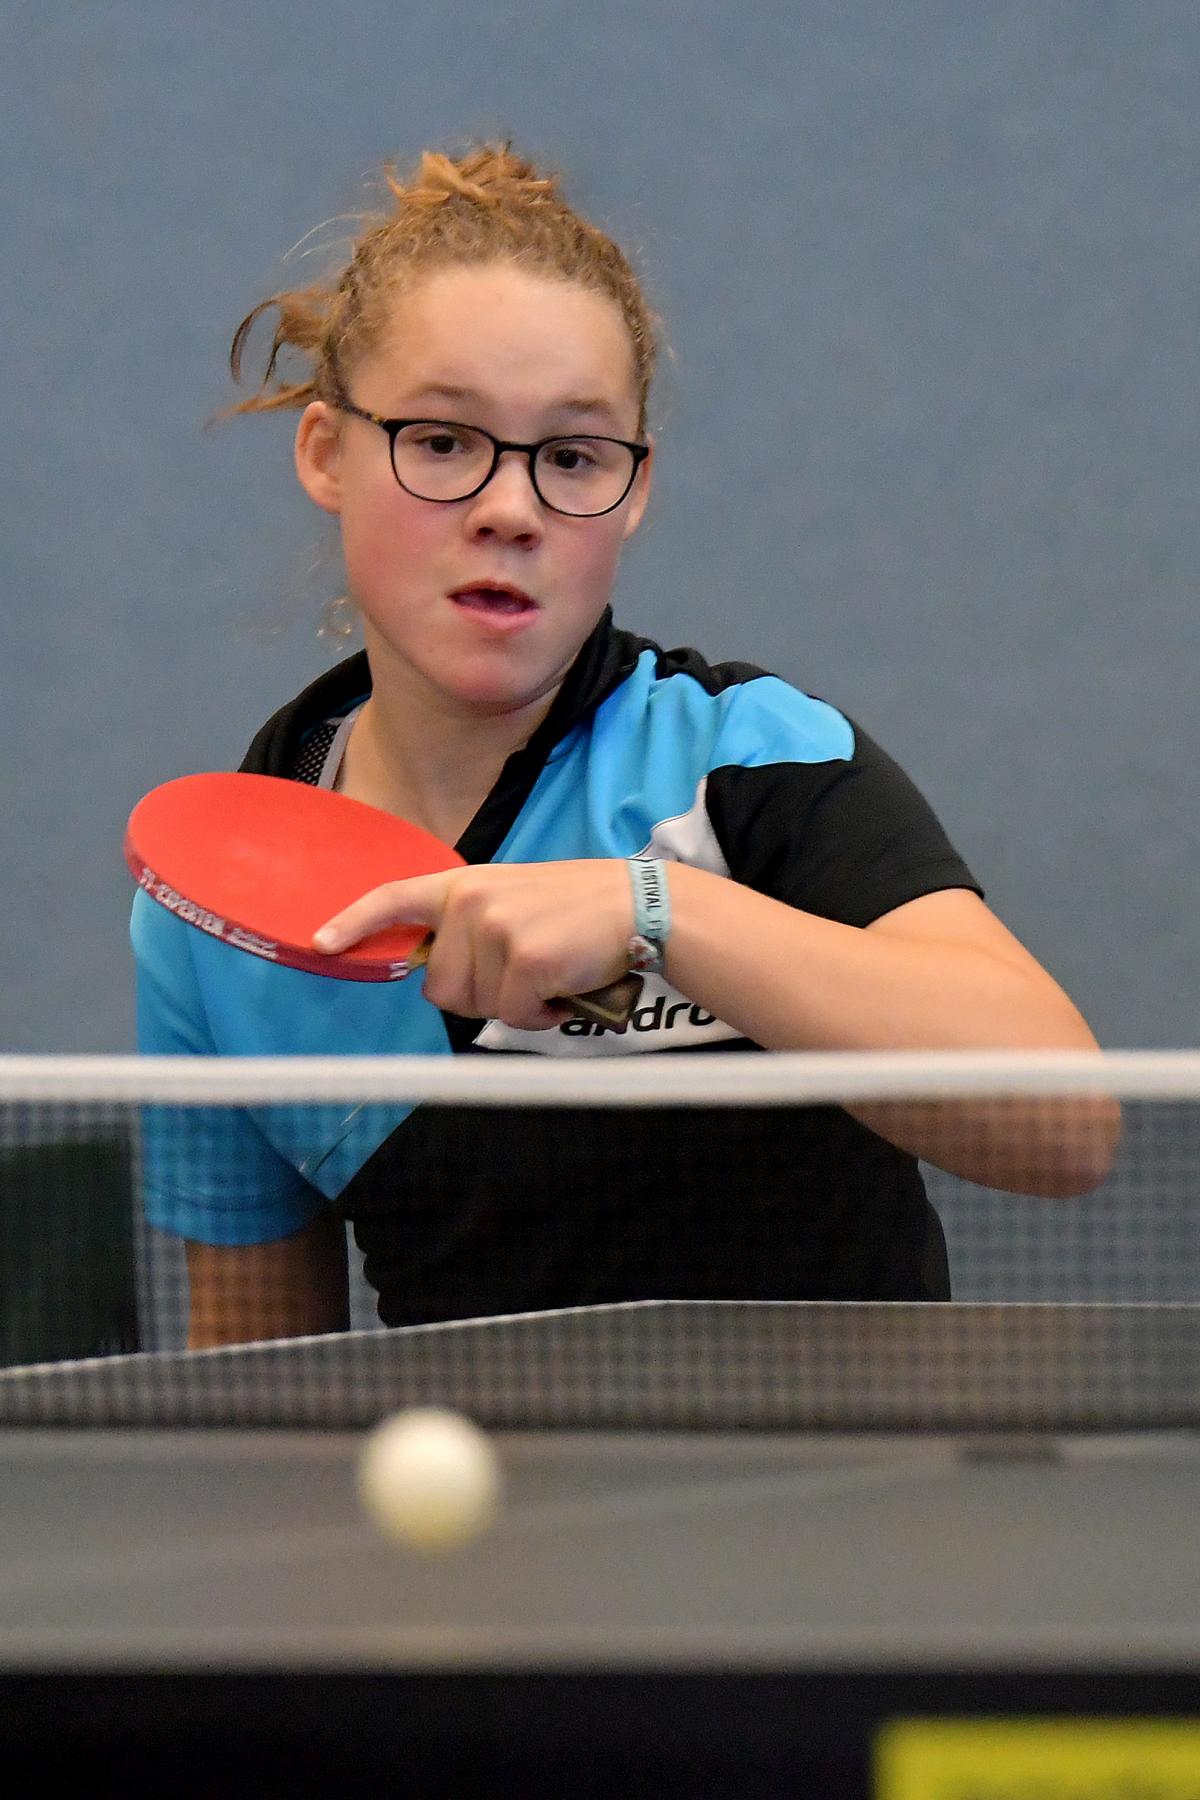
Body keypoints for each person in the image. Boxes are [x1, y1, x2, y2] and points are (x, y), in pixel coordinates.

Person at [132, 145, 1118, 1349]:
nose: (511, 509)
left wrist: (663, 912)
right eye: (441, 441)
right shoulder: (225, 904)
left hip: (849, 1460)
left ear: (634, 490)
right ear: (328, 452)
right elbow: (255, 1379)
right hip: (491, 1471)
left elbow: (1067, 1128)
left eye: (572, 457)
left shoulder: (746, 761)